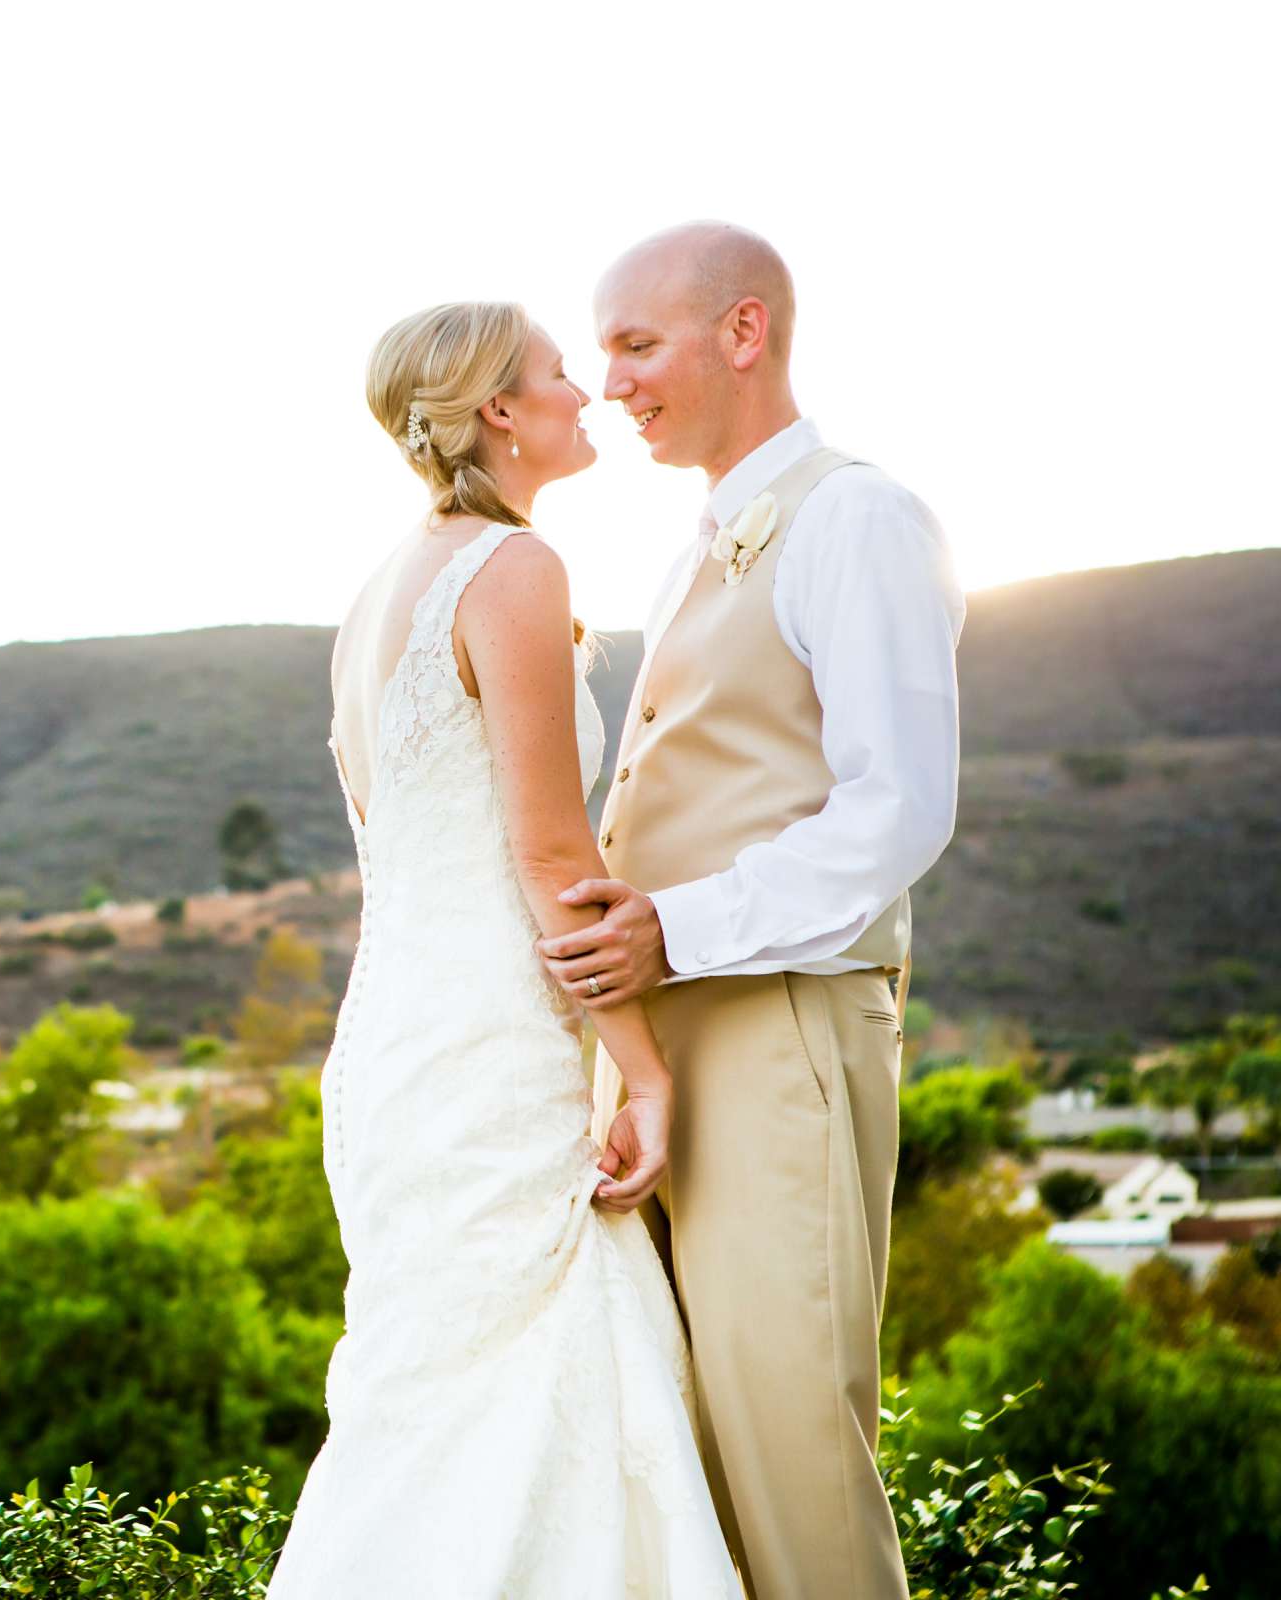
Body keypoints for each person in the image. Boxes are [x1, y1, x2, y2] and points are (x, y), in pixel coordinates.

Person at [265, 301, 742, 1597]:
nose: (583, 389)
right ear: (498, 411)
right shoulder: (514, 570)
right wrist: (640, 1068)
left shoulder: (379, 594)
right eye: (553, 374)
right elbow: (550, 858)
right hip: (484, 1042)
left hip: (394, 1043)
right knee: (523, 1377)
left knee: (432, 1405)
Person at [538, 221, 963, 1600]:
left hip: (781, 1024)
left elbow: (897, 810)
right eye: (602, 350)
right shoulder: (694, 547)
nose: (613, 381)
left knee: (790, 1448)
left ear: (743, 332)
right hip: (668, 1044)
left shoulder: (857, 516)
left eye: (635, 343)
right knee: (689, 1454)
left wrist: (676, 929)